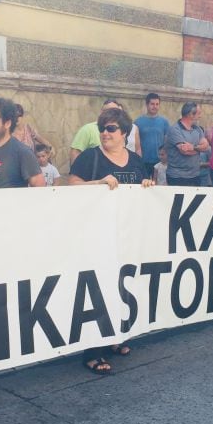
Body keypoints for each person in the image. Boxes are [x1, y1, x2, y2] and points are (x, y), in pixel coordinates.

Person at [68, 107, 153, 374]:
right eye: (102, 128)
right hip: (97, 237)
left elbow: (146, 189)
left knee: (123, 287)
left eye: (111, 128)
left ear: (125, 133)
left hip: (127, 236)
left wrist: (149, 189)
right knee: (99, 290)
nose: (105, 133)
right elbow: (70, 186)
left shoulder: (137, 162)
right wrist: (98, 183)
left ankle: (116, 338)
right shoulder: (90, 158)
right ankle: (92, 352)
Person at [165, 102, 209, 186]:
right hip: (177, 177)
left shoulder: (198, 129)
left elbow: (206, 146)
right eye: (198, 113)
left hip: (195, 175)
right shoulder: (175, 129)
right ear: (190, 115)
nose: (200, 116)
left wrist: (192, 147)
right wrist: (199, 149)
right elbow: (185, 151)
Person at [69, 99, 123, 166]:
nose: (110, 114)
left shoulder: (121, 131)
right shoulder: (88, 129)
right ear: (101, 112)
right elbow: (75, 153)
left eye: (114, 111)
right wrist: (76, 173)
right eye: (107, 111)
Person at [134, 93, 169, 175]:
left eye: (157, 104)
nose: (155, 106)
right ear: (147, 105)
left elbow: (167, 142)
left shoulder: (164, 122)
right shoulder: (138, 122)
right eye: (152, 104)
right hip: (143, 161)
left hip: (159, 162)